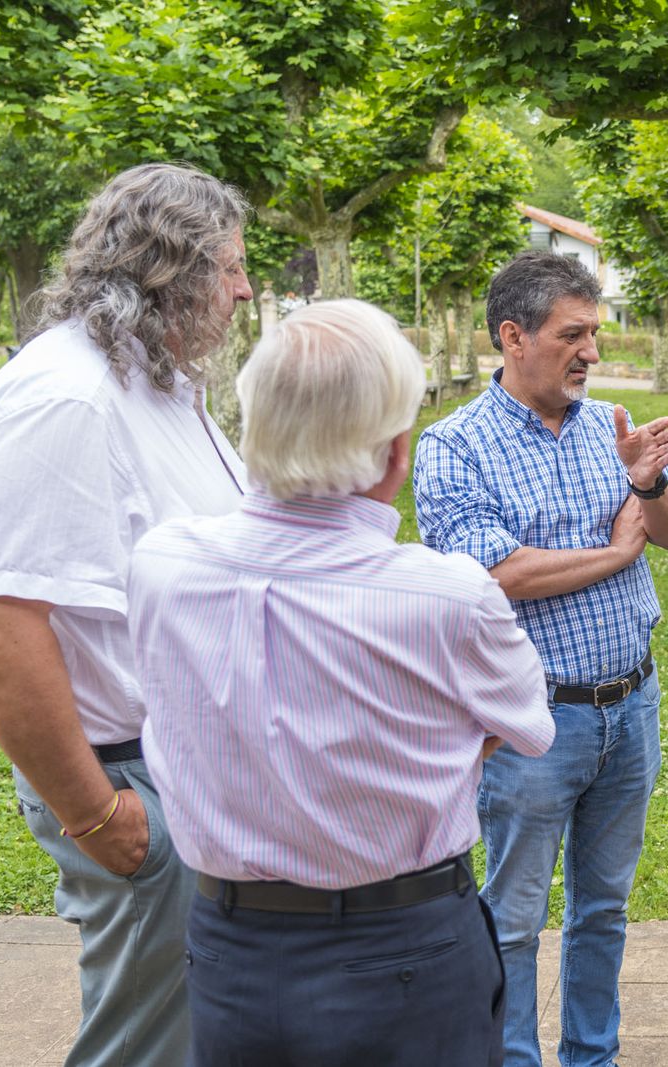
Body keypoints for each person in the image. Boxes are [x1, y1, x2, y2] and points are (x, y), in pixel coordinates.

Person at [127, 300, 555, 1066]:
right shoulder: (447, 596)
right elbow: (526, 723)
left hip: (233, 944)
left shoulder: (161, 564)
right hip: (405, 946)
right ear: (395, 454)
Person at [0, 163, 252, 1067]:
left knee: (196, 1035)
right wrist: (103, 819)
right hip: (132, 782)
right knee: (146, 1049)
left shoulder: (153, 380)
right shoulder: (67, 396)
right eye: (232, 267)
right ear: (171, 270)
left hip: (189, 771)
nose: (246, 289)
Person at [413, 250, 668, 1067]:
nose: (590, 352)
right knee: (513, 916)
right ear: (513, 336)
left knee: (604, 909)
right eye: (573, 335)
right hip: (530, 724)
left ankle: (592, 1057)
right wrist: (614, 555)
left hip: (631, 707)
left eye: (593, 334)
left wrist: (647, 484)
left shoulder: (610, 427)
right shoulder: (455, 446)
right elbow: (496, 573)